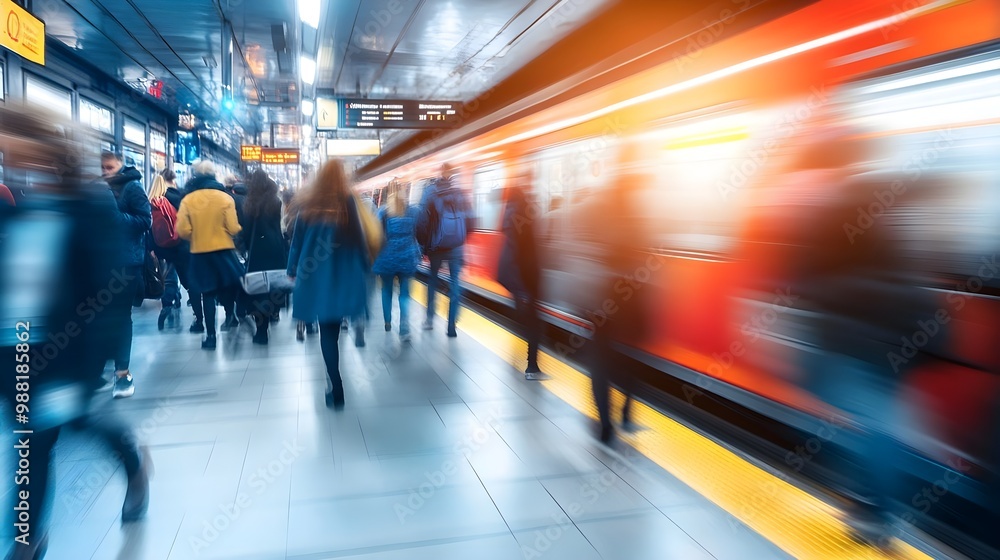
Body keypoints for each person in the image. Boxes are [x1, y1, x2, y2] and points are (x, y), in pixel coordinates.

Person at [0, 107, 150, 560]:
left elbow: (105, 288)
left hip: (66, 350)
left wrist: (89, 363)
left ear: (39, 140)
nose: (7, 149)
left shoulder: (89, 202)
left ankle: (134, 467)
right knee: (32, 439)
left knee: (70, 428)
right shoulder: (18, 201)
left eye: (12, 138)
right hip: (17, 348)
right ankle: (26, 537)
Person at [286, 159, 369, 408]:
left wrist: (292, 269)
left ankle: (336, 386)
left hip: (316, 277)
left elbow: (297, 242)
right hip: (344, 277)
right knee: (339, 319)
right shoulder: (348, 202)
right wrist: (365, 265)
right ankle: (356, 326)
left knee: (328, 334)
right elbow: (359, 237)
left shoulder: (308, 205)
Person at [176, 160, 244, 349]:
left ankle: (211, 336)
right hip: (224, 252)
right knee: (229, 286)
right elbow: (233, 227)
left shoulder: (188, 200)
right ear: (214, 175)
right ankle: (232, 317)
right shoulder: (225, 198)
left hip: (199, 253)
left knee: (207, 294)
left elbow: (182, 230)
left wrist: (197, 235)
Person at [102, 151, 151, 398]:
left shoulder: (132, 187)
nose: (104, 171)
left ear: (119, 165)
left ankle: (122, 373)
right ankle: (96, 370)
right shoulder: (96, 189)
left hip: (125, 264)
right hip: (99, 263)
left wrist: (115, 218)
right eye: (101, 167)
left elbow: (145, 221)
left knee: (120, 317)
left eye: (109, 167)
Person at [497, 171, 545, 379]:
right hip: (523, 276)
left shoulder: (511, 209)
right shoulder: (522, 211)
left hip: (516, 275)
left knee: (527, 319)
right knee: (533, 322)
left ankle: (525, 360)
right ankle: (532, 367)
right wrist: (524, 284)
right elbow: (520, 248)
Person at [418, 163, 472, 337]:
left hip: (436, 246)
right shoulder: (460, 193)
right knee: (455, 283)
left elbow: (422, 221)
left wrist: (424, 245)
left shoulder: (430, 192)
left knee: (433, 280)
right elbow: (471, 220)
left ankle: (429, 319)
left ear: (440, 174)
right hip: (456, 247)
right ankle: (451, 327)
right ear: (452, 174)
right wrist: (461, 238)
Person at [238, 170, 287, 345]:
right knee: (272, 287)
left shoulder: (249, 203)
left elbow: (247, 230)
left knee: (259, 289)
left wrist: (243, 246)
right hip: (274, 248)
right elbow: (277, 225)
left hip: (258, 249)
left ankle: (261, 331)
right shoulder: (275, 201)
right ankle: (272, 315)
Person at [373, 180, 421, 342]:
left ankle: (387, 322)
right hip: (407, 258)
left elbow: (377, 235)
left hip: (387, 258)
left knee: (386, 291)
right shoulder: (413, 211)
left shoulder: (383, 212)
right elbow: (418, 231)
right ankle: (404, 328)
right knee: (405, 295)